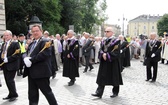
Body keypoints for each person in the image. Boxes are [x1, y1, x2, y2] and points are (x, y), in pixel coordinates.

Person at [23, 24, 58, 105]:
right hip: (32, 73)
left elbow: (45, 54)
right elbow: (28, 54)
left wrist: (31, 60)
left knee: (47, 93)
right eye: (33, 31)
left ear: (41, 31)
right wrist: (25, 57)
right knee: (32, 95)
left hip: (42, 73)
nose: (35, 33)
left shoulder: (46, 41)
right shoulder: (32, 43)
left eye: (37, 31)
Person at [91, 27, 123, 98]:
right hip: (104, 61)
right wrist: (102, 54)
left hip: (113, 62)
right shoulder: (104, 40)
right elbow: (101, 49)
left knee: (114, 77)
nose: (106, 32)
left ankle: (115, 92)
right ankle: (99, 92)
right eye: (105, 31)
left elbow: (116, 52)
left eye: (107, 31)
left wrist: (107, 55)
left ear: (112, 32)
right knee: (102, 76)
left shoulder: (116, 41)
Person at [0, 30, 20, 102]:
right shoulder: (3, 44)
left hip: (12, 65)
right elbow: (2, 53)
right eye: (4, 35)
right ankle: (10, 93)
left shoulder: (15, 43)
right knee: (7, 80)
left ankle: (14, 94)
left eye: (7, 35)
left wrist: (8, 59)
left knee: (10, 80)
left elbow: (17, 55)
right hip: (5, 65)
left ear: (11, 36)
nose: (5, 37)